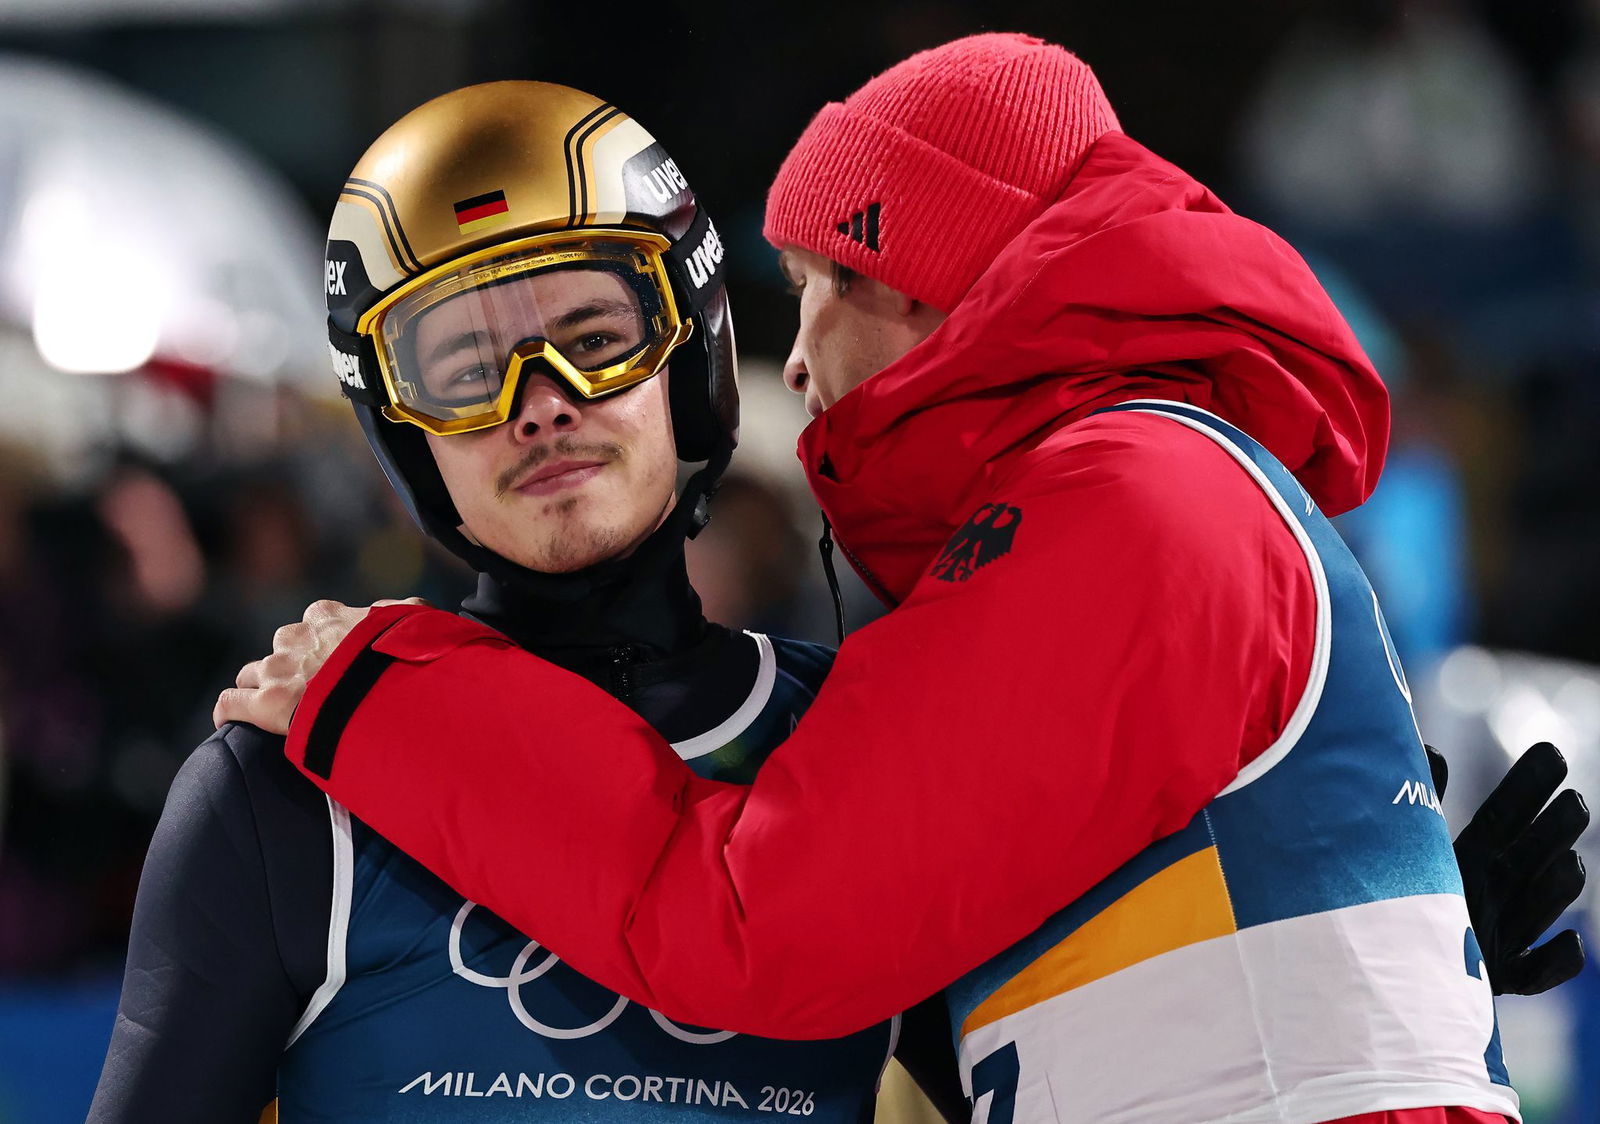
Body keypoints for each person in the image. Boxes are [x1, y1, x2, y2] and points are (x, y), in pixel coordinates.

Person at [221, 35, 1590, 1124]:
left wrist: (390, 699)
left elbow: (760, 925)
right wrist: (1359, 933)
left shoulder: (1130, 498)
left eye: (812, 284)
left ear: (917, 273)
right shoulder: (1131, 497)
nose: (795, 357)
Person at [89, 80, 957, 1123]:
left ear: (688, 354)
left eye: (593, 342)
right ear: (407, 434)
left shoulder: (858, 740)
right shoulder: (283, 787)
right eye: (466, 370)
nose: (541, 404)